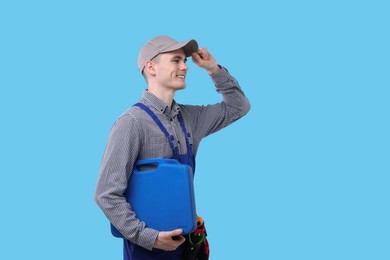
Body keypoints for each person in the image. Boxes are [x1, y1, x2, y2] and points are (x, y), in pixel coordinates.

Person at [95, 35, 251, 260]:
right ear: (151, 67)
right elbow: (106, 195)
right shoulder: (131, 122)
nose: (185, 66)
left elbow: (239, 107)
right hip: (147, 248)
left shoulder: (190, 118)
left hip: (186, 243)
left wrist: (214, 69)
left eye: (185, 61)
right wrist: (150, 238)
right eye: (176, 60)